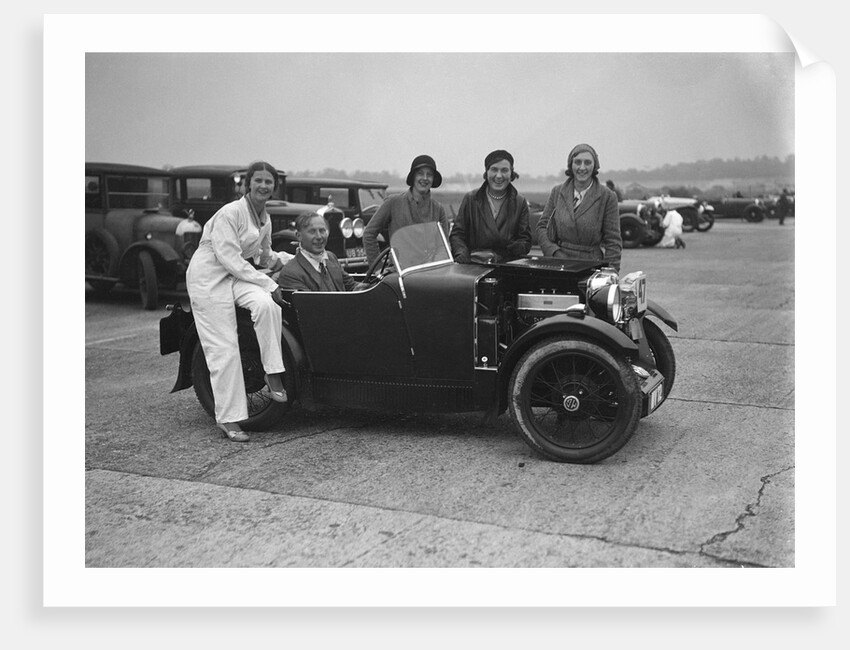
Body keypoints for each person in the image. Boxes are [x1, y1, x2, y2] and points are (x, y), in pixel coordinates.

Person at [185, 160, 293, 442]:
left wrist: (297, 259)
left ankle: (272, 373)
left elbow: (265, 257)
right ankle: (229, 419)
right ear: (248, 184)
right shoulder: (230, 213)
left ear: (274, 187)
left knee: (267, 304)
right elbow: (230, 259)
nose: (264, 186)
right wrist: (268, 282)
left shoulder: (265, 218)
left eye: (269, 182)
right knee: (225, 347)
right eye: (258, 180)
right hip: (208, 277)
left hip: (234, 275)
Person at [536, 143, 622, 271]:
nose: (582, 167)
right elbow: (542, 227)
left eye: (587, 162)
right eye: (577, 162)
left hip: (591, 266)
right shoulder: (557, 192)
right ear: (571, 165)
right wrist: (554, 252)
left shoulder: (607, 197)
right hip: (558, 264)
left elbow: (613, 241)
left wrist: (611, 273)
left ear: (595, 166)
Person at [363, 154, 450, 265]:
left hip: (429, 275)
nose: (424, 178)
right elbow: (369, 234)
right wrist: (377, 269)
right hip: (400, 274)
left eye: (429, 175)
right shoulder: (393, 202)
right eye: (420, 173)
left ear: (433, 180)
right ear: (413, 177)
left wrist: (436, 267)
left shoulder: (439, 209)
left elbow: (443, 246)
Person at [449, 149, 532, 264]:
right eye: (494, 170)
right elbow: (457, 234)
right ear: (486, 172)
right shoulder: (471, 199)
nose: (499, 176)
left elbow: (525, 239)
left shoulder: (520, 202)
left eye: (504, 170)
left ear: (511, 173)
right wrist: (461, 253)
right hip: (473, 265)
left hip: (507, 266)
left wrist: (517, 248)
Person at [278, 211, 368, 292]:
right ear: (299, 236)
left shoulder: (331, 257)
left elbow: (351, 285)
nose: (319, 237)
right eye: (312, 232)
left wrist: (370, 288)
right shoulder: (291, 273)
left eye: (322, 231)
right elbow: (313, 307)